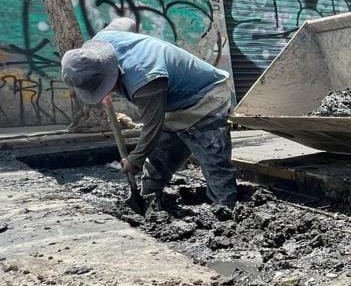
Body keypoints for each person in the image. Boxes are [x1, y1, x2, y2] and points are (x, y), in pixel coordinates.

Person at [60, 18, 238, 207]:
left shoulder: (145, 78)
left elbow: (153, 128)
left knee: (214, 164)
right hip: (172, 105)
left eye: (104, 86)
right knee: (159, 160)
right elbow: (126, 21)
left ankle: (225, 210)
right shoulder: (103, 39)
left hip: (204, 100)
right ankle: (148, 201)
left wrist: (134, 160)